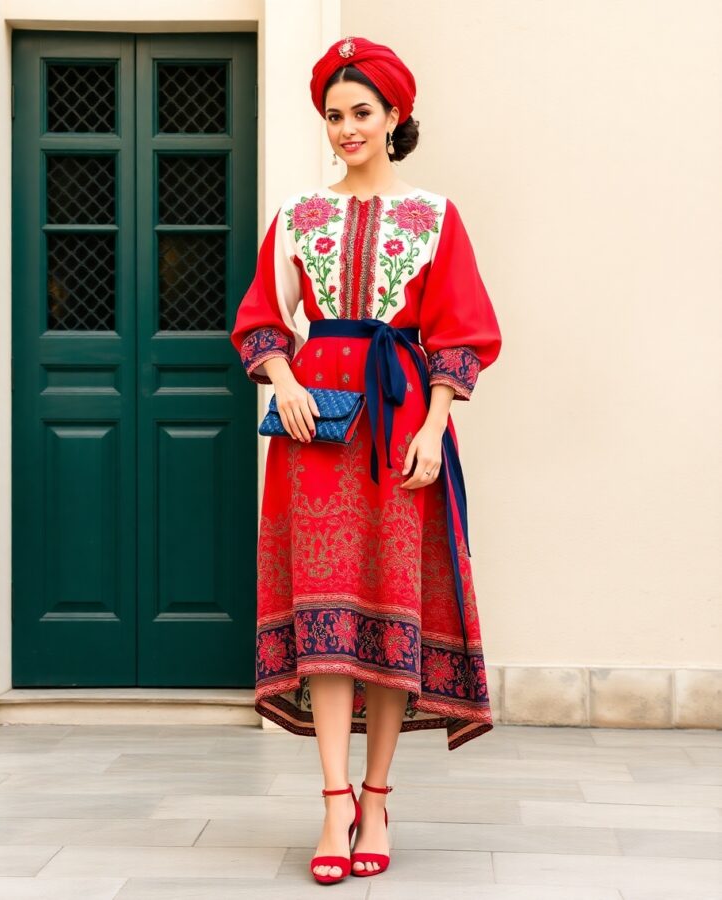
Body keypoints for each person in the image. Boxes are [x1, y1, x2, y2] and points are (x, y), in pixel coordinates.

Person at [230, 34, 502, 885]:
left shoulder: (434, 216)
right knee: (327, 618)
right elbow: (260, 322)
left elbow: (463, 329)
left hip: (399, 424)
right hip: (319, 434)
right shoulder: (299, 217)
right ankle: (334, 802)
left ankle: (377, 796)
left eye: (359, 114)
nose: (344, 129)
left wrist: (432, 426)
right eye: (332, 116)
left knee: (391, 610)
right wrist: (282, 376)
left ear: (394, 117)